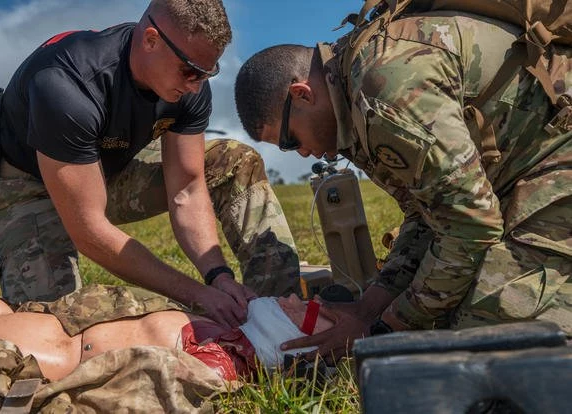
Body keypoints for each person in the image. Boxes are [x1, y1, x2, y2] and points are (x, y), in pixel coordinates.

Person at [234, 11, 572, 359]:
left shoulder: (381, 92)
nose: (303, 153)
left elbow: (470, 226)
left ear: (302, 94)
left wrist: (383, 328)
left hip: (557, 156)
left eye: (290, 140)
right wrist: (369, 307)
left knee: (487, 340)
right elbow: (425, 215)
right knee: (443, 323)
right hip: (519, 175)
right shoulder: (351, 109)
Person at [0, 0, 300, 328]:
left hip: (110, 167)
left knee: (233, 161)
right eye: (190, 71)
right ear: (151, 40)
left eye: (208, 73)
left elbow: (187, 189)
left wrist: (218, 277)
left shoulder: (189, 85)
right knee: (52, 326)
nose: (196, 85)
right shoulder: (67, 86)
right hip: (30, 186)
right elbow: (90, 230)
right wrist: (197, 294)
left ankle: (279, 316)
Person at [0, 286, 332, 381]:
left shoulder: (218, 366)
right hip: (8, 316)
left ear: (290, 337)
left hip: (22, 352)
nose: (296, 296)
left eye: (307, 309)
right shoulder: (227, 331)